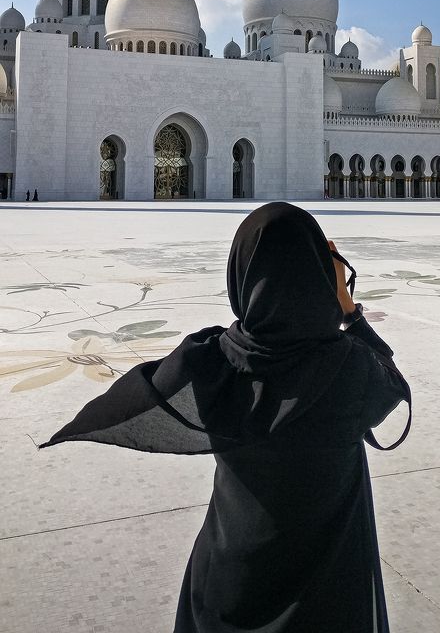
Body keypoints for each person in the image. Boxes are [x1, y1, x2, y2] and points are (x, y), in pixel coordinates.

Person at [41, 202, 411, 632]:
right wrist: (348, 310)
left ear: (241, 274)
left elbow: (146, 390)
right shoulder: (349, 368)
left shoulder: (211, 361)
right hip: (325, 588)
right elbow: (391, 379)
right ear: (317, 272)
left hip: (228, 576)